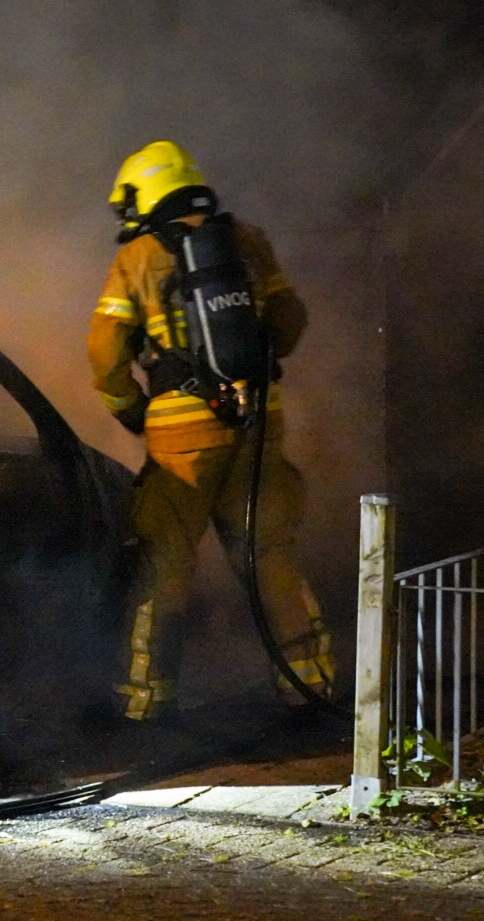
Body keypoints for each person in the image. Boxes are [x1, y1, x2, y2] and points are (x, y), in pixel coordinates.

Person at [86, 140, 333, 723]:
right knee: (271, 555)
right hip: (258, 425)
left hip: (181, 436)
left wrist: (132, 410)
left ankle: (146, 702)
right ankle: (311, 687)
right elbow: (291, 320)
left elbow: (104, 351)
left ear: (145, 195)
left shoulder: (139, 256)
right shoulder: (249, 241)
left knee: (164, 564)